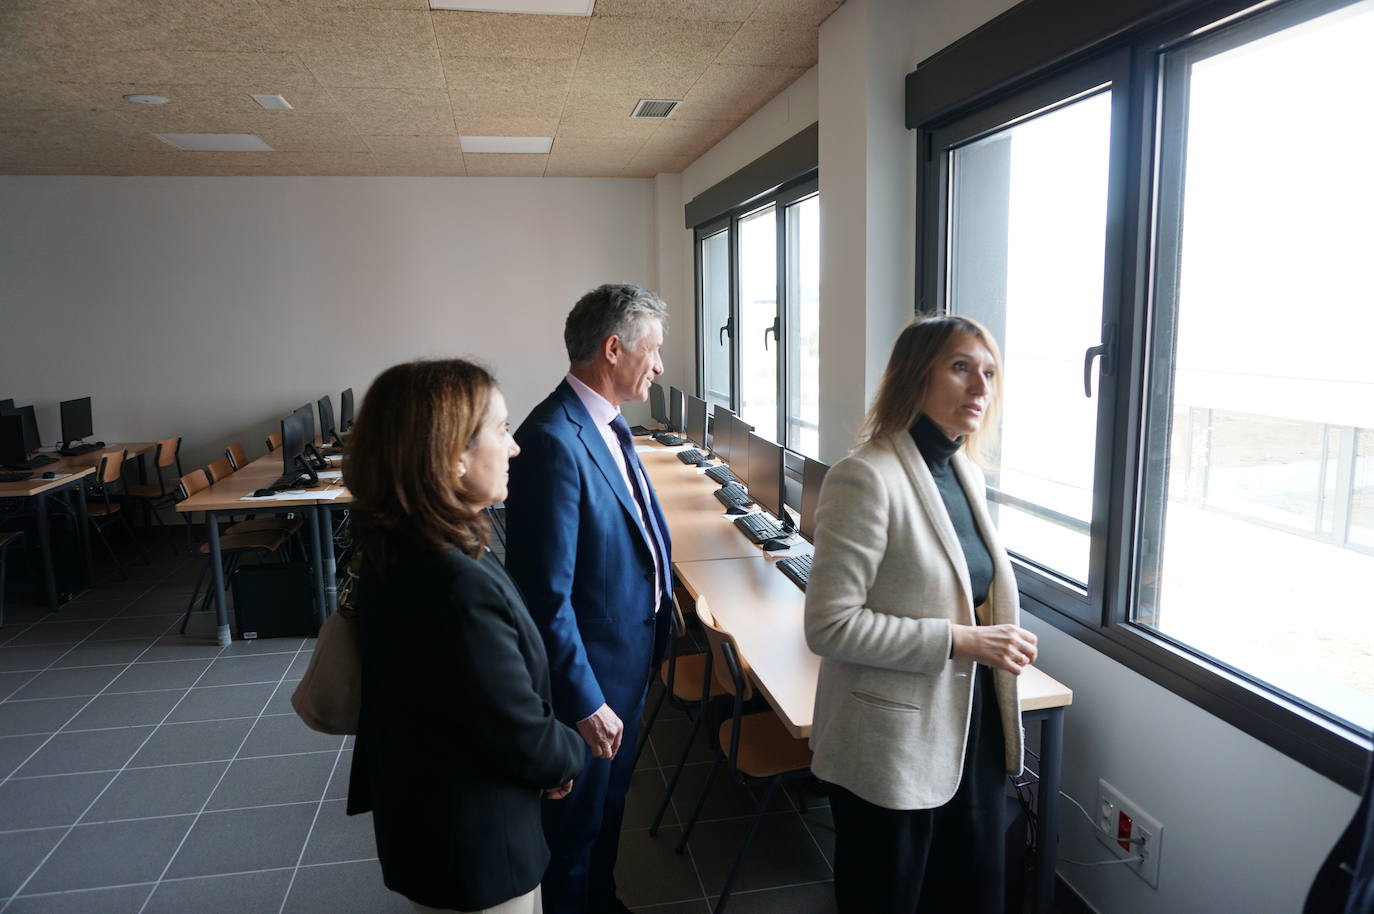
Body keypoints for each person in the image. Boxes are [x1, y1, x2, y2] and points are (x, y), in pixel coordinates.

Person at [804, 314, 1039, 914]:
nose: (980, 387)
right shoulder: (865, 476)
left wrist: (993, 636)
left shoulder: (966, 473)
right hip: (892, 744)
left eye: (989, 373)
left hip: (969, 728)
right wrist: (963, 640)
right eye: (961, 368)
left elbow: (962, 585)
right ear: (915, 375)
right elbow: (829, 625)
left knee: (970, 894)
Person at [345, 359, 584, 914]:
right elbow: (517, 729)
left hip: (435, 826)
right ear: (453, 456)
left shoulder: (405, 544)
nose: (515, 448)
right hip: (476, 850)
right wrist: (568, 757)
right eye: (502, 430)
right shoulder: (453, 585)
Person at [504, 283, 675, 914]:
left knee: (608, 809)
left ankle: (602, 901)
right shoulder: (553, 439)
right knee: (574, 829)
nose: (660, 367)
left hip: (625, 664)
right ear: (613, 349)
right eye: (652, 351)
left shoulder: (606, 425)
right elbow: (544, 597)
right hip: (590, 685)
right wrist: (584, 702)